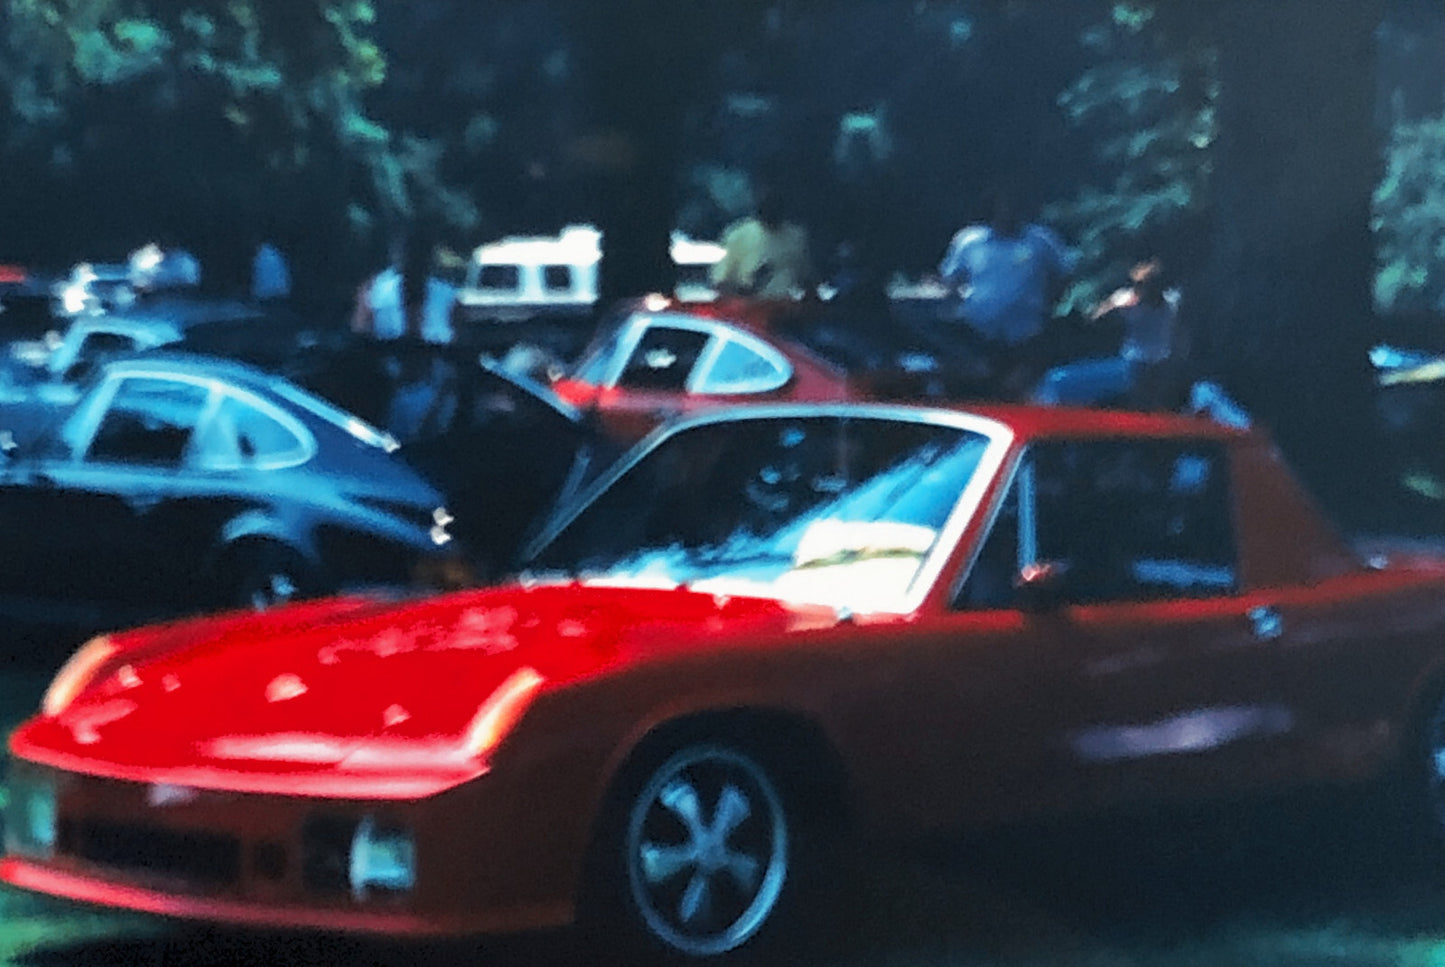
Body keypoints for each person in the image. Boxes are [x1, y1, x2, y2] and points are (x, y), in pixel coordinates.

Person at [938, 187, 1076, 397]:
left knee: (1021, 391)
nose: (1009, 211)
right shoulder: (969, 241)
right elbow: (951, 280)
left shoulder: (1041, 241)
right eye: (1003, 205)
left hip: (1026, 336)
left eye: (1014, 205)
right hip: (979, 336)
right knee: (981, 393)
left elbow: (1064, 275)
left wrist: (1049, 306)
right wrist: (956, 313)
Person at [710, 187, 816, 300]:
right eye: (767, 203)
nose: (772, 208)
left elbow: (806, 281)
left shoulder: (796, 237)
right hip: (749, 310)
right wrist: (746, 291)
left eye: (776, 204)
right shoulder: (738, 235)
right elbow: (720, 283)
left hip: (787, 309)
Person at [352, 232, 456, 345]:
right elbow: (360, 334)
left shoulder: (448, 295)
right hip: (387, 359)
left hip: (437, 360)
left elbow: (459, 340)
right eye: (408, 251)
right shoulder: (374, 290)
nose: (412, 258)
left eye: (419, 251)